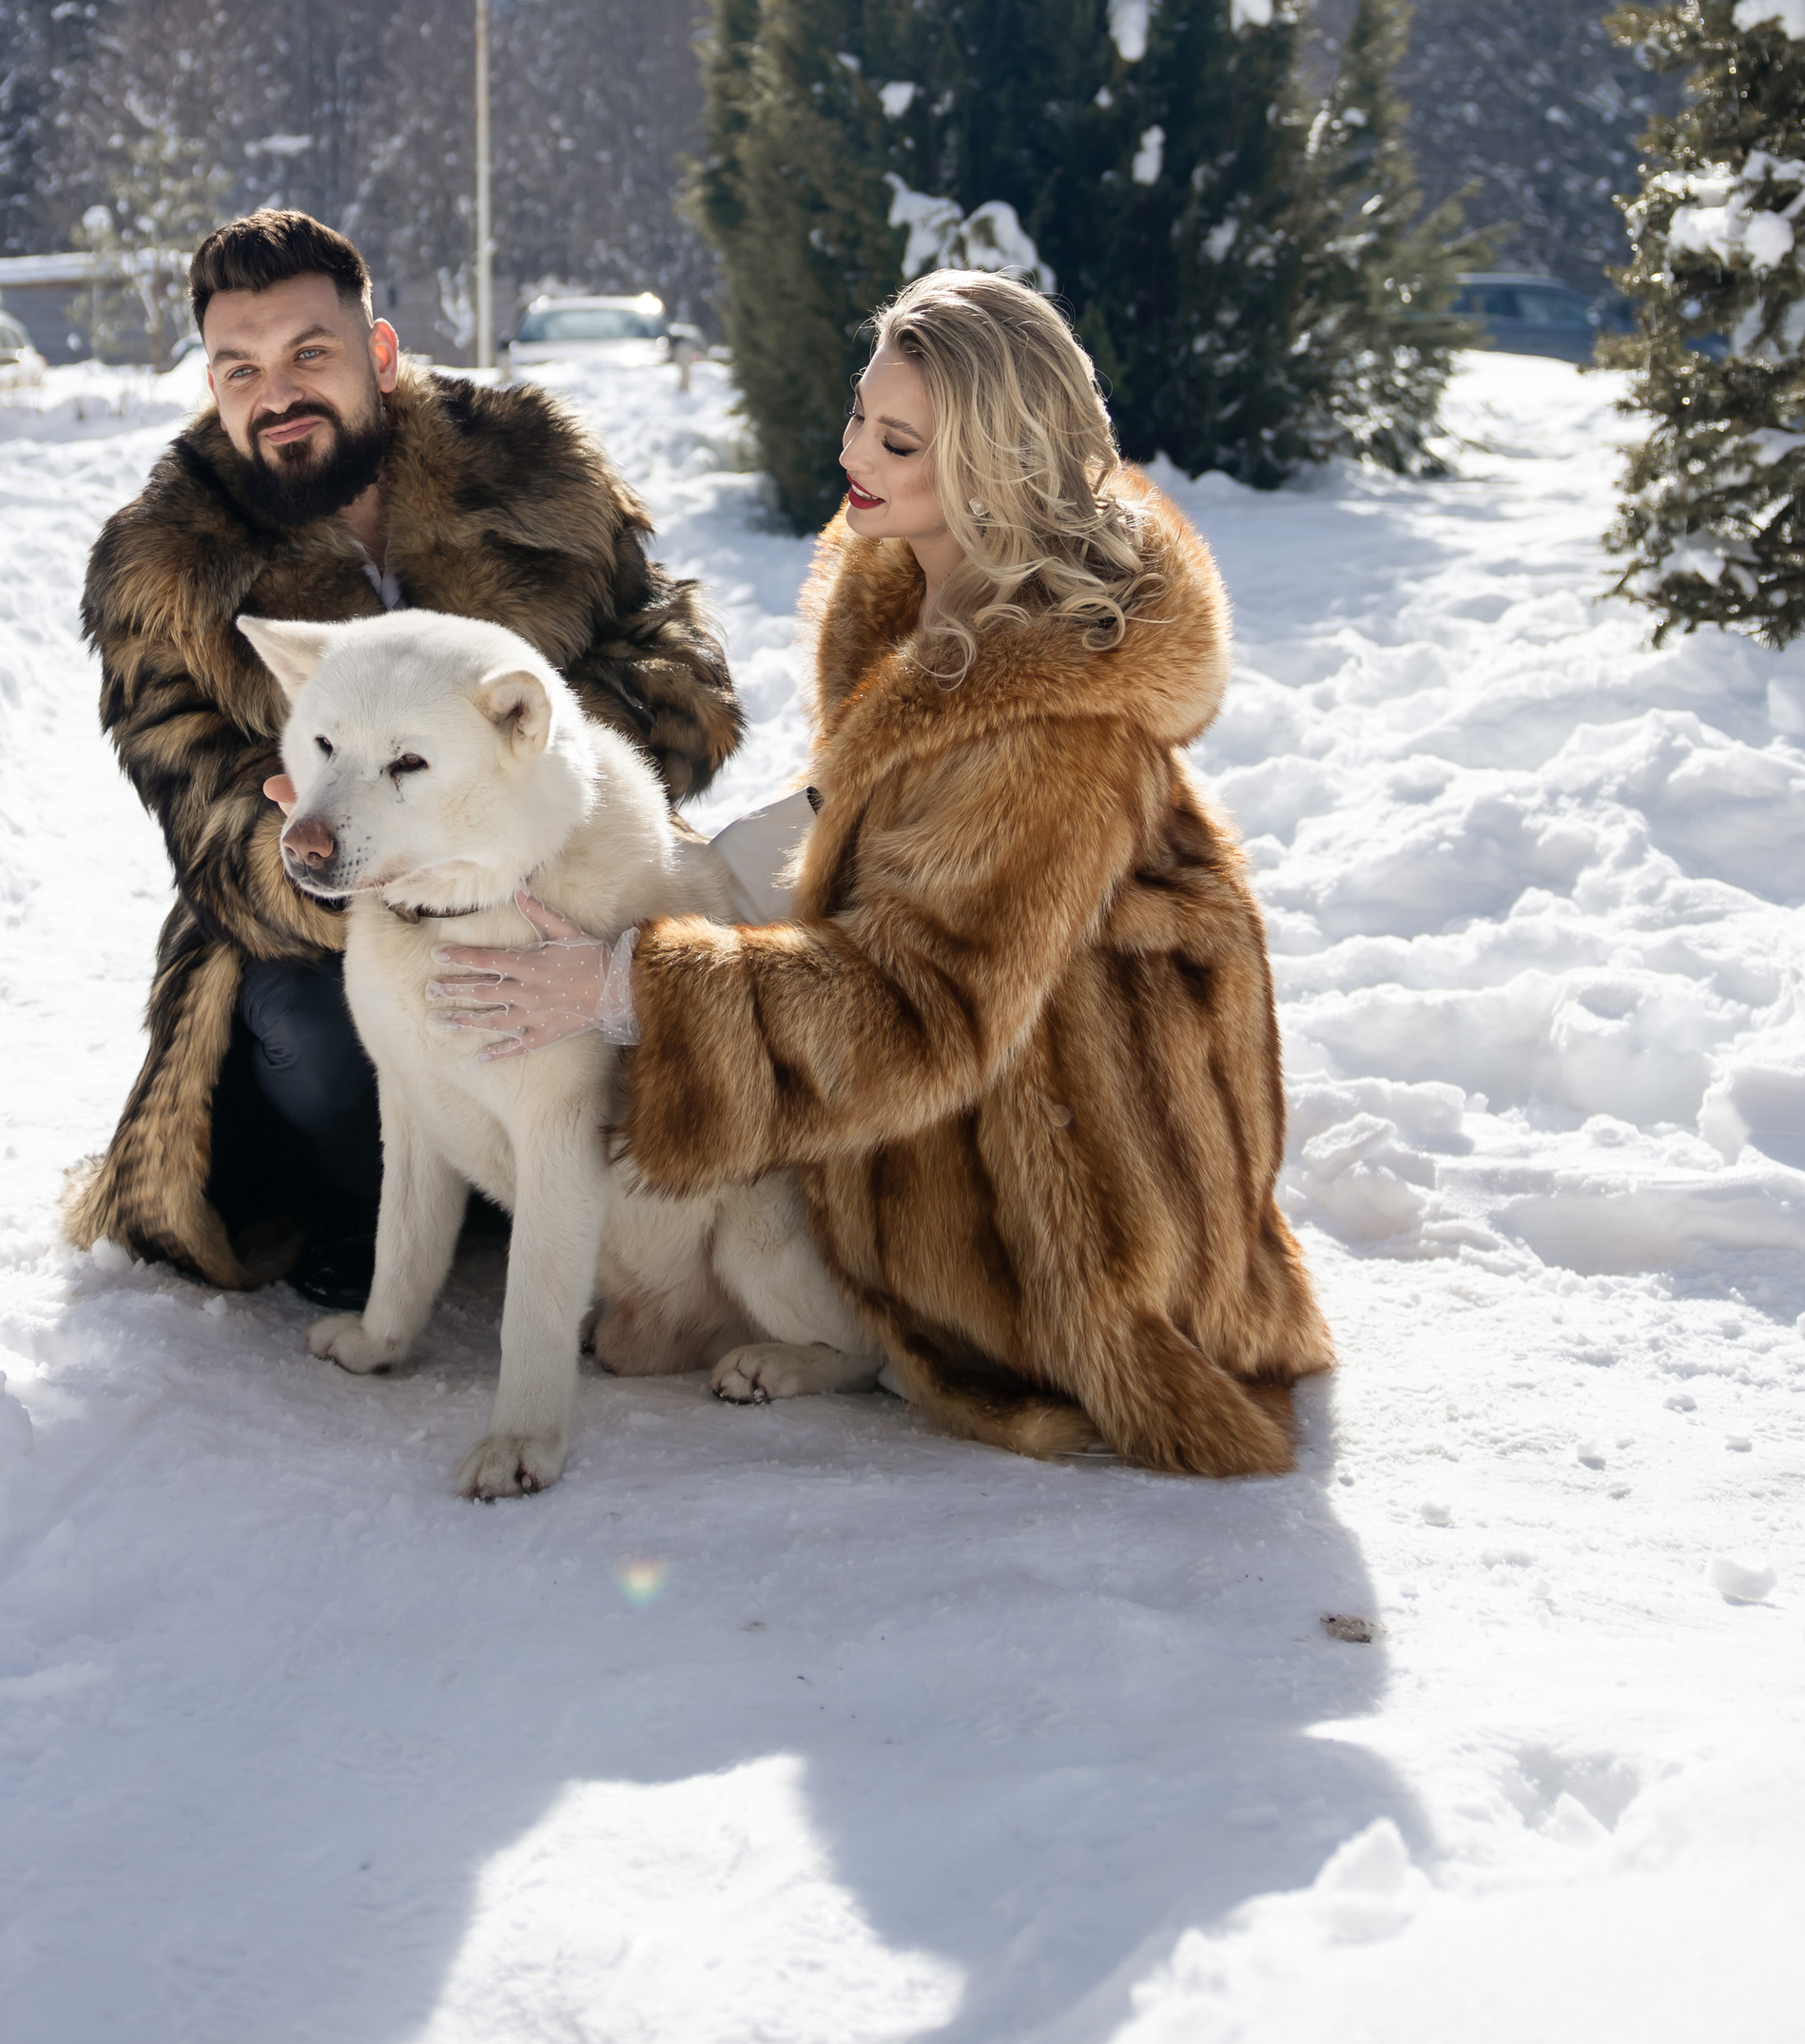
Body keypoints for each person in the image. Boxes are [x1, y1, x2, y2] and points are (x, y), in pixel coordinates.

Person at [435, 268, 1333, 1474]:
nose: (855, 449)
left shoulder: (1047, 727)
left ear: (991, 470)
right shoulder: (920, 591)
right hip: (987, 1089)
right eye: (862, 411)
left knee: (667, 1131)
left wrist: (631, 987)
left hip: (1065, 1208)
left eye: (897, 439)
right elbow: (868, 834)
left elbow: (925, 1009)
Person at [66, 207, 742, 1295]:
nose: (274, 393)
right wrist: (357, 842)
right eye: (238, 369)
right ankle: (370, 1199)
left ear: (379, 354)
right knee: (311, 1033)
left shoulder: (532, 465)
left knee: (695, 967)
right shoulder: (167, 565)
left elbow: (673, 660)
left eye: (308, 354)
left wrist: (538, 807)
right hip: (336, 927)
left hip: (573, 876)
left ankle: (634, 1198)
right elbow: (210, 818)